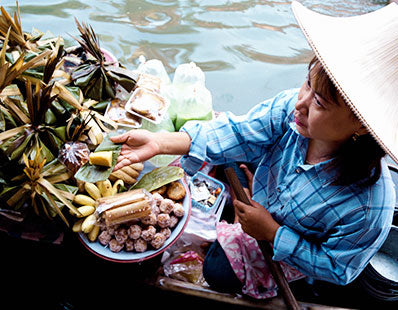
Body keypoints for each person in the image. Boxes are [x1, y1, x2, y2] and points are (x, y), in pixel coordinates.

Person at [111, 1, 398, 299]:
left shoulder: (366, 207)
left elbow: (338, 268)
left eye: (320, 103)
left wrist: (271, 232)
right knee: (229, 143)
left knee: (217, 271)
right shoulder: (293, 111)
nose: (300, 103)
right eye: (307, 84)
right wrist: (159, 142)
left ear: (361, 126)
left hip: (285, 242)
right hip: (262, 200)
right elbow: (236, 133)